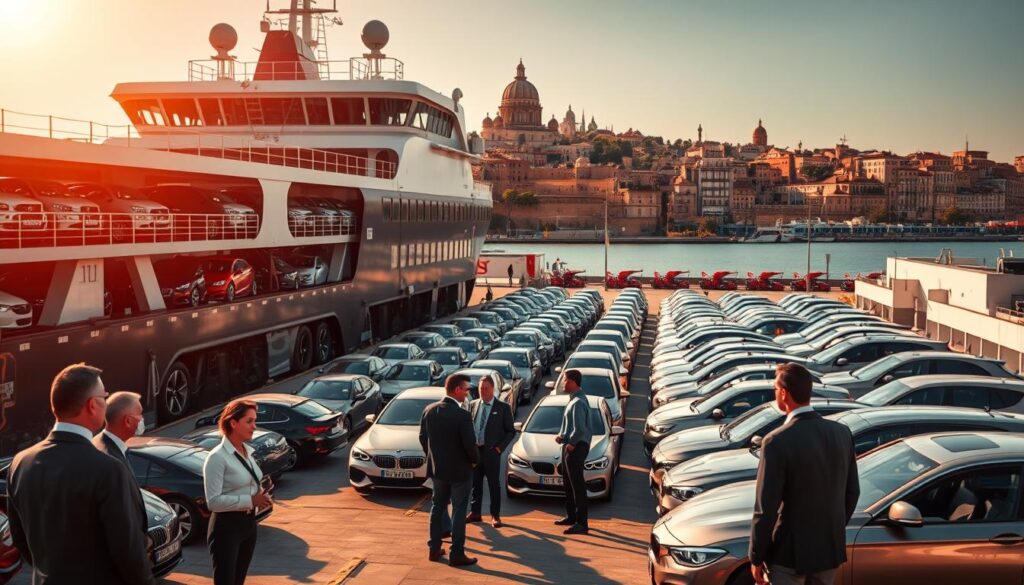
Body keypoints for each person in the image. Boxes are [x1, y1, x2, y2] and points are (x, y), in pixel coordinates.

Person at [7, 363, 155, 585]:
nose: (106, 402)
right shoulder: (108, 469)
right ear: (92, 405)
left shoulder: (20, 463)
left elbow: (19, 537)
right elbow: (127, 550)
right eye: (104, 397)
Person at [749, 363, 859, 585]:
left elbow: (765, 508)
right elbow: (852, 492)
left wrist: (756, 556)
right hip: (829, 551)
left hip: (789, 554)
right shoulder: (841, 432)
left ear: (783, 393)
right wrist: (830, 530)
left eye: (774, 389)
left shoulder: (776, 441)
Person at [204, 399, 273, 585]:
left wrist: (261, 495)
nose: (254, 426)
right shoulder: (217, 457)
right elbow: (213, 502)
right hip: (226, 528)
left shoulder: (247, 452)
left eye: (254, 421)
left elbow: (249, 483)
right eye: (249, 421)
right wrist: (251, 500)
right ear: (233, 423)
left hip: (248, 524)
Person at [419, 374, 479, 567]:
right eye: (467, 389)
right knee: (459, 511)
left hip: (438, 471)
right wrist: (475, 461)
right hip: (460, 472)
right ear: (457, 390)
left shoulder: (429, 410)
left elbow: (423, 438)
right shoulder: (462, 415)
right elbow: (470, 445)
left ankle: (434, 549)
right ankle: (457, 553)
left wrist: (434, 457)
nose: (469, 393)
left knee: (437, 508)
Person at [93, 390, 148, 532]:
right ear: (128, 421)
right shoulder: (110, 460)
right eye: (140, 414)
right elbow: (119, 521)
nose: (142, 418)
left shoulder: (100, 444)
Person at [466, 376, 516, 528]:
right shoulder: (473, 405)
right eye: (480, 388)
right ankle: (475, 513)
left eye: (486, 388)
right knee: (476, 484)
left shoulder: (503, 408)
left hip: (492, 452)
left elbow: (510, 431)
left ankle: (495, 515)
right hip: (475, 452)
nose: (482, 391)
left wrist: (499, 448)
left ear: (493, 389)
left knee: (494, 484)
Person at [554, 369, 592, 535]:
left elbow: (580, 429)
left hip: (576, 448)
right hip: (570, 445)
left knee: (577, 486)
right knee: (568, 484)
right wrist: (563, 437)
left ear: (572, 382)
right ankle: (571, 516)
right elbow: (572, 427)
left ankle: (581, 523)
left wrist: (571, 443)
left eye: (564, 380)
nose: (563, 383)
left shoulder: (578, 402)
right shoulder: (575, 399)